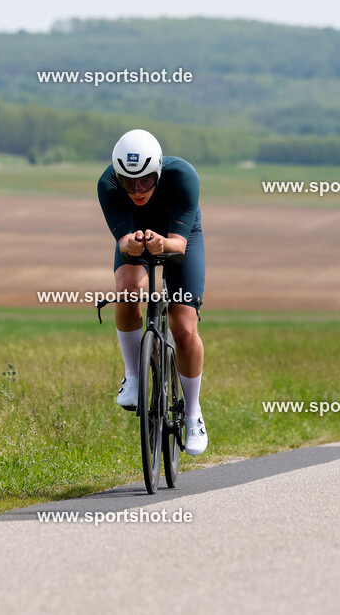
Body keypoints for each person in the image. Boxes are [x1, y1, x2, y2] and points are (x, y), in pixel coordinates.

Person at [97, 129, 208, 456]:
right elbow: (122, 241)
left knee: (184, 327)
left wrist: (163, 243)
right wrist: (130, 243)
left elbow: (179, 245)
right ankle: (133, 376)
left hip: (179, 237)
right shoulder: (107, 184)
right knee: (129, 290)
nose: (137, 189)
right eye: (128, 182)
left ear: (158, 171)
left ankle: (193, 414)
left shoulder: (183, 175)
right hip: (136, 237)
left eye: (145, 180)